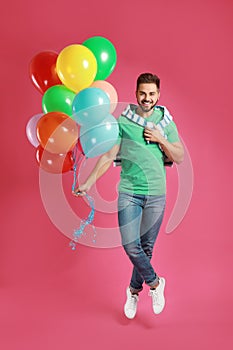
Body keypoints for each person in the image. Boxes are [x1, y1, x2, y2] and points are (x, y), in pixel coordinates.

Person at [73, 73, 184, 319]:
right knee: (130, 245)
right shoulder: (123, 121)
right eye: (143, 93)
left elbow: (179, 156)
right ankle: (156, 284)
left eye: (152, 94)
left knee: (146, 247)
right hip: (129, 193)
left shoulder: (165, 121)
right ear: (136, 94)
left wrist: (160, 138)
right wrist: (88, 182)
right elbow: (108, 155)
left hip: (156, 194)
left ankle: (133, 291)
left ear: (158, 95)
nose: (147, 98)